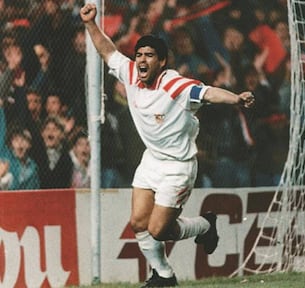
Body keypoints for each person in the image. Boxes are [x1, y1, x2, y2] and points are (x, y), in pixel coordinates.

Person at [80, 3, 255, 287]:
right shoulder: (131, 75)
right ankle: (164, 275)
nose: (142, 60)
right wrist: (90, 24)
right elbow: (107, 50)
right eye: (139, 55)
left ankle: (206, 226)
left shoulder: (175, 85)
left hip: (178, 166)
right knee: (138, 223)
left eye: (149, 55)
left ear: (162, 62)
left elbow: (208, 93)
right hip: (152, 161)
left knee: (159, 230)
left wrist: (235, 98)